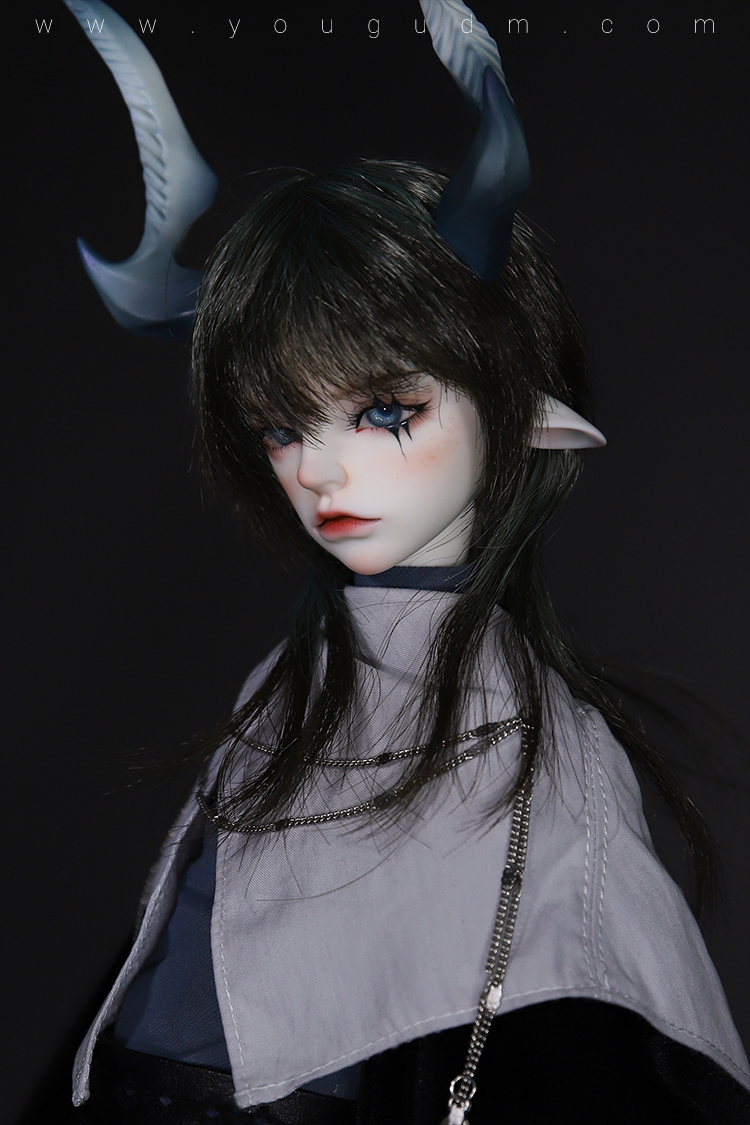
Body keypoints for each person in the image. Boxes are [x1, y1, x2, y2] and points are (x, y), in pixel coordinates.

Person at [59, 3, 749, 1124]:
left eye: (385, 411)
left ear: (520, 411)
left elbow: (597, 1018)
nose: (319, 471)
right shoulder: (290, 681)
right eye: (281, 426)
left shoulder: (534, 734)